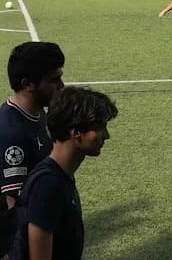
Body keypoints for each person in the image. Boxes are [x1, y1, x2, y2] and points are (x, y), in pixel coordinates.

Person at [0, 42, 66, 260]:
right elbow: (17, 206)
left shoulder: (37, 114)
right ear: (27, 84)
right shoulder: (12, 133)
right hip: (12, 243)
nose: (61, 85)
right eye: (53, 80)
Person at [10, 86, 118, 260]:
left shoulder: (61, 177)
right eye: (100, 127)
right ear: (75, 133)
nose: (106, 135)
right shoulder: (47, 185)